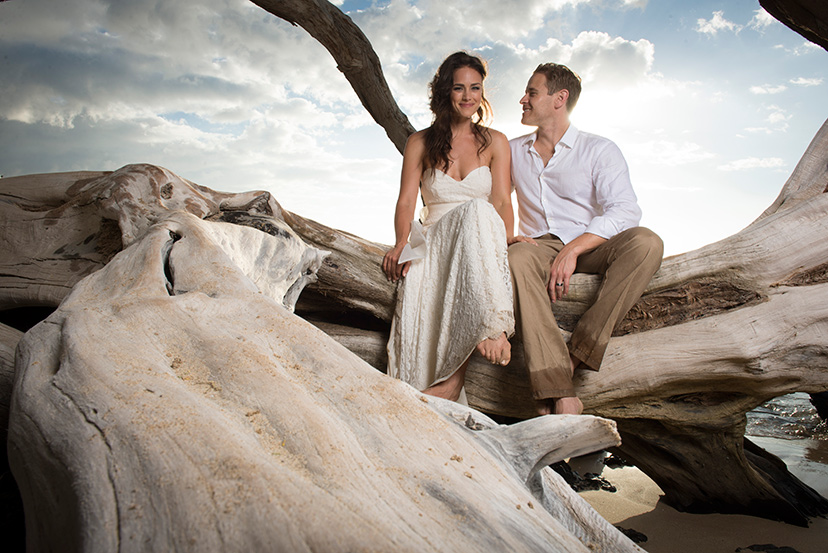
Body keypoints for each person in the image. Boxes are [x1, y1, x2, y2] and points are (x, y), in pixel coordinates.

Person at [508, 63, 664, 415]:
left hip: (591, 243)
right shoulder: (512, 149)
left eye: (532, 92)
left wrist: (575, 248)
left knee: (647, 243)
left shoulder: (599, 149)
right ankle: (559, 390)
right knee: (516, 259)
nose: (523, 99)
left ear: (559, 98)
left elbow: (625, 210)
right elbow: (495, 197)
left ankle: (578, 354)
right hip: (538, 245)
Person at [383, 51, 519, 403]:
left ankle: (493, 329)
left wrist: (503, 244)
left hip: (480, 238)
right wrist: (402, 243)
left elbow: (502, 202)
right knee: (476, 209)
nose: (468, 96)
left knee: (479, 211)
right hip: (436, 237)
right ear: (445, 92)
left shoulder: (496, 142)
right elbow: (406, 201)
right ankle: (476, 345)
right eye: (459, 88)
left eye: (475, 88)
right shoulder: (420, 142)